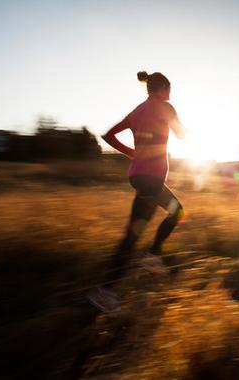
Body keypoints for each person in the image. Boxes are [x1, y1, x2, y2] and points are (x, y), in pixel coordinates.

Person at [89, 71, 186, 312]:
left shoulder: (138, 110)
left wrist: (130, 152)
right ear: (162, 88)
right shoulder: (166, 107)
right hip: (151, 180)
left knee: (177, 212)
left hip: (139, 176)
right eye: (169, 89)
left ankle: (152, 256)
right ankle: (105, 292)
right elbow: (182, 134)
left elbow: (108, 135)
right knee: (132, 237)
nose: (170, 94)